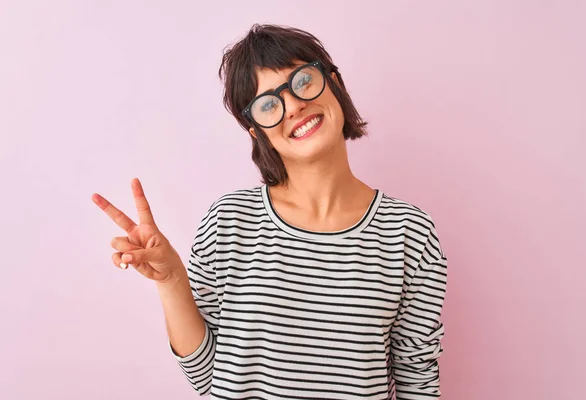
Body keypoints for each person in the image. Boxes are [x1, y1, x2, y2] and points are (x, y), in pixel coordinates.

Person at [92, 24, 448, 400]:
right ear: (256, 132)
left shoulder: (409, 232)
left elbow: (417, 379)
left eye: (303, 80)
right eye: (268, 104)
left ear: (335, 83)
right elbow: (204, 376)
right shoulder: (229, 221)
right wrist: (172, 281)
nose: (294, 106)